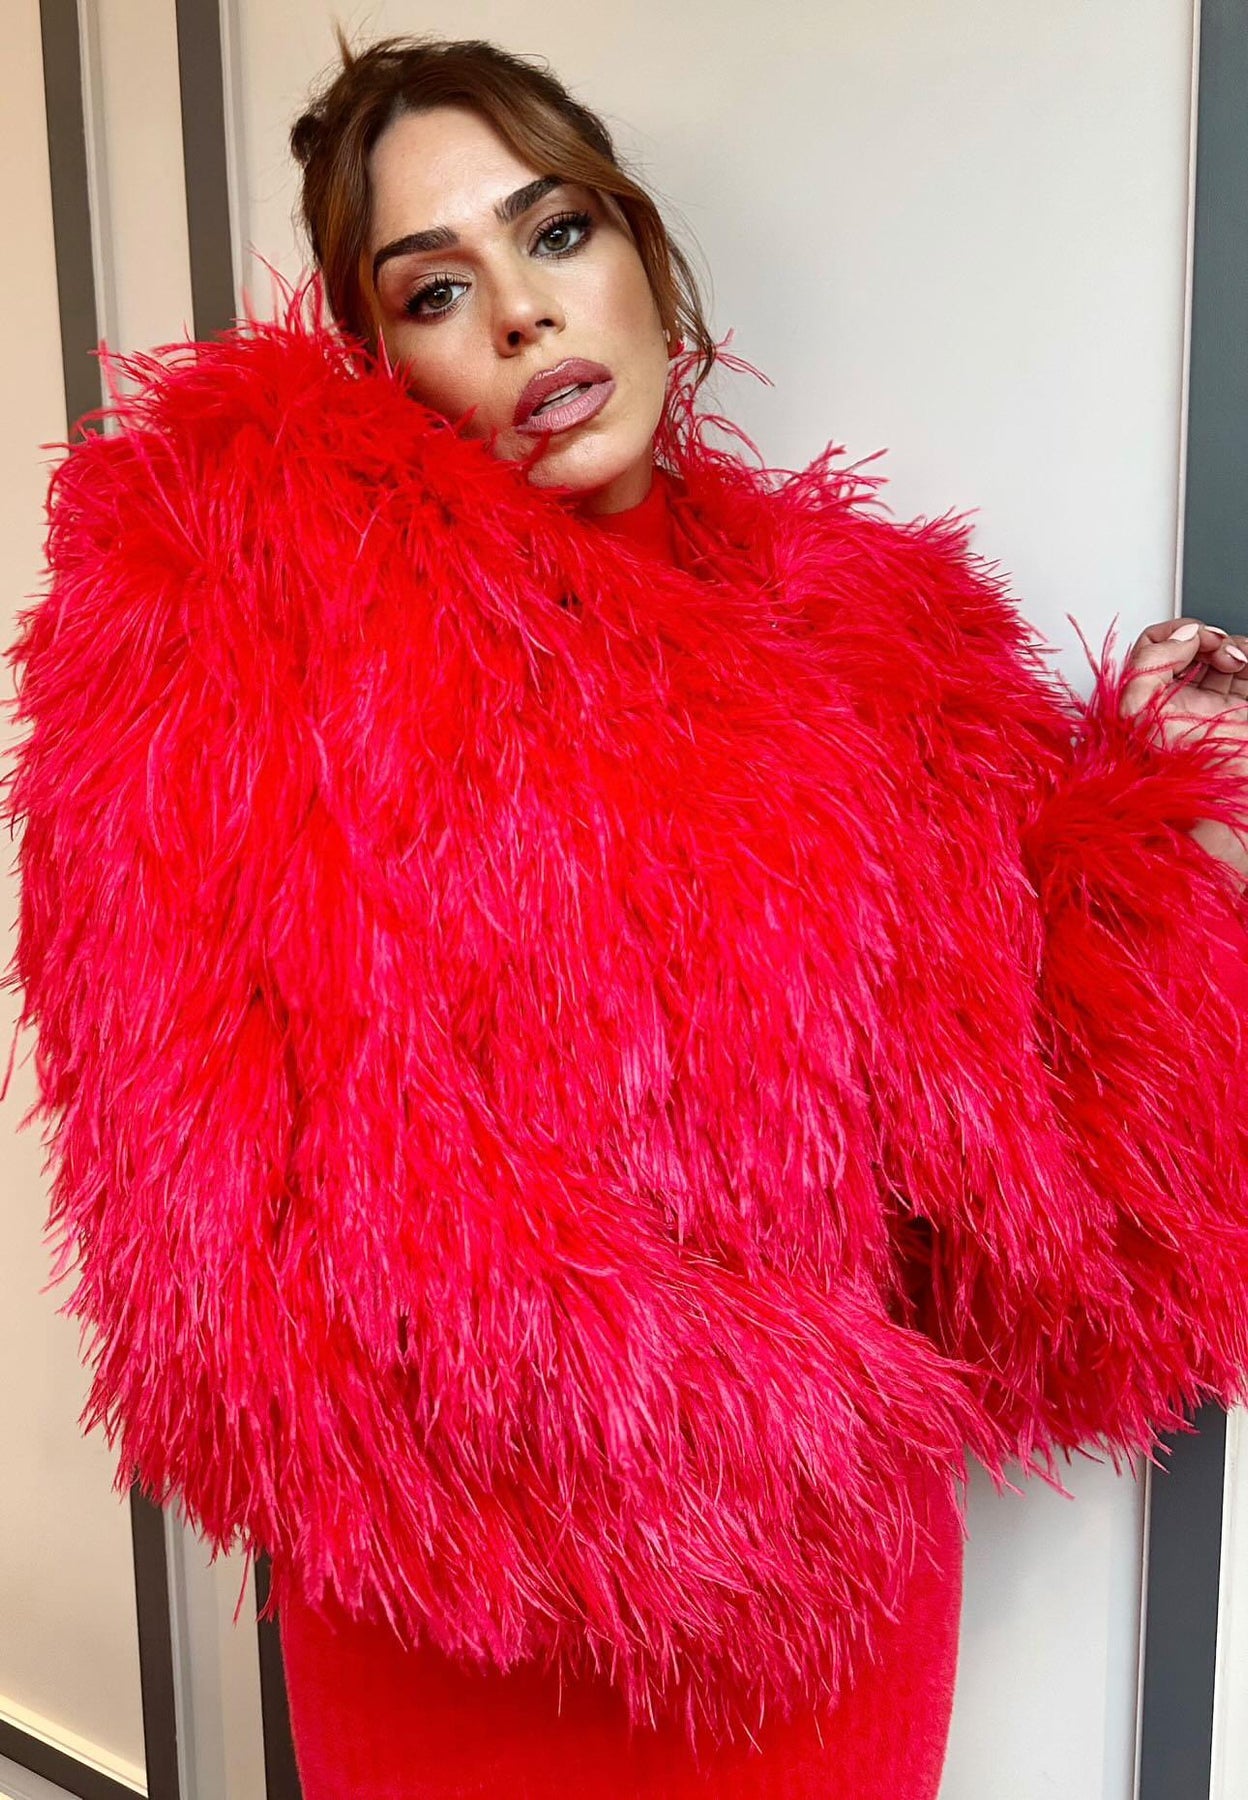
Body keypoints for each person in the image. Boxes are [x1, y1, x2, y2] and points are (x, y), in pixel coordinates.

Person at [6, 30, 1248, 1800]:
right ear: (380, 368)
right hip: (453, 1595)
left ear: (645, 255)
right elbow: (203, 1206)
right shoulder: (279, 656)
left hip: (819, 1595)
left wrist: (1152, 826)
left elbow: (1039, 1186)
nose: (522, 313)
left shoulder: (884, 656)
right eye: (437, 289)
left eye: (557, 232)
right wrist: (639, 1407)